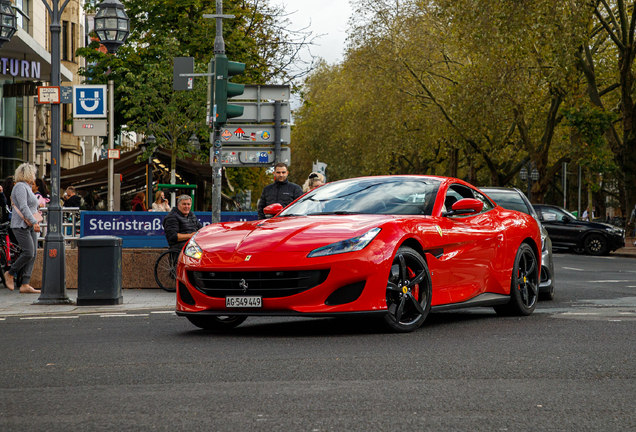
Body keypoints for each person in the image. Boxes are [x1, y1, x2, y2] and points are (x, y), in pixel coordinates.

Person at [4, 163, 41, 293]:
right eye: (33, 173)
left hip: (29, 224)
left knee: (33, 253)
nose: (34, 176)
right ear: (27, 174)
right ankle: (10, 273)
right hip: (21, 225)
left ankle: (25, 284)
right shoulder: (20, 187)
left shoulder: (27, 187)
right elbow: (23, 207)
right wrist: (34, 221)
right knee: (29, 252)